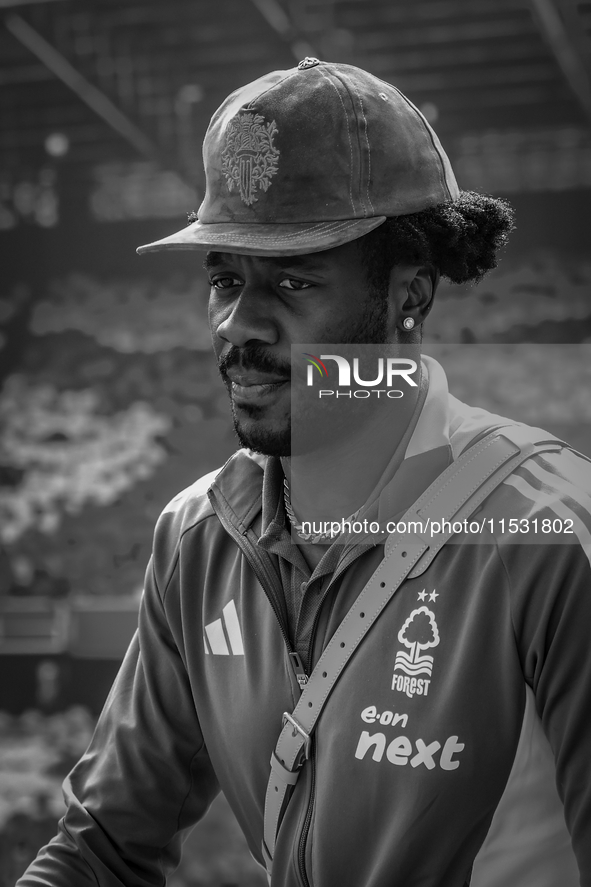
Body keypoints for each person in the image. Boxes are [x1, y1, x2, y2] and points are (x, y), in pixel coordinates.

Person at [19, 60, 590, 887]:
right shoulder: (197, 537)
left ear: (410, 297)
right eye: (222, 278)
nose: (236, 323)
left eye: (292, 280)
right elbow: (102, 850)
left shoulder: (547, 535)